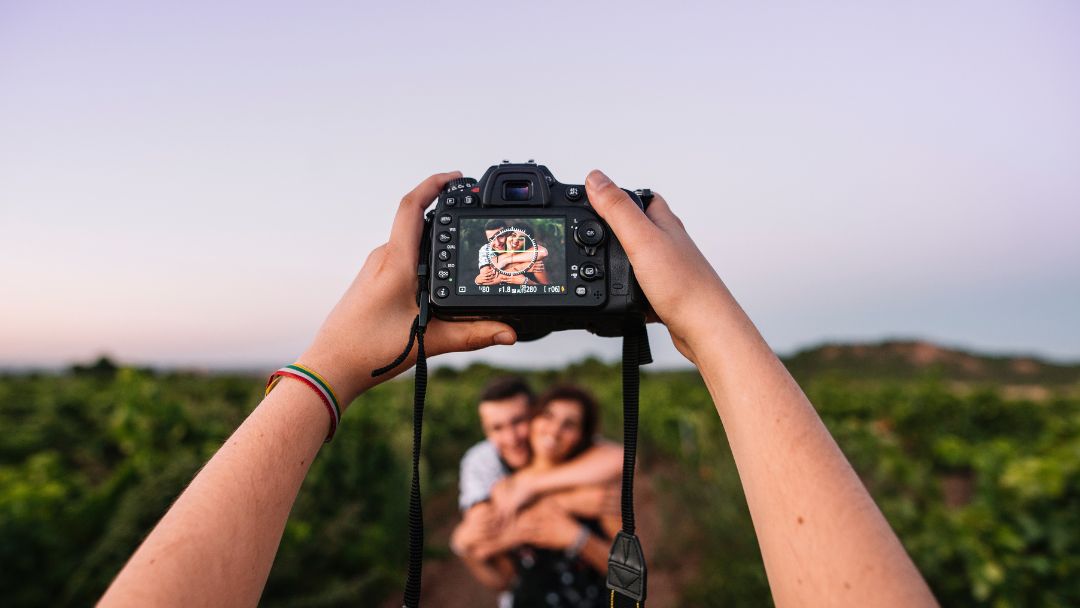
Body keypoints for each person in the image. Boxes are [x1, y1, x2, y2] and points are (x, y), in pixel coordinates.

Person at [99, 170, 939, 607]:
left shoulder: (564, 461)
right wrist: (711, 327)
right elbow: (481, 536)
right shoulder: (500, 466)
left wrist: (333, 366)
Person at [451, 378, 622, 604]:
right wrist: (465, 544)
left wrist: (577, 538)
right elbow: (502, 573)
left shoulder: (596, 484)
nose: (554, 430)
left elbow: (630, 575)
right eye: (548, 416)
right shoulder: (502, 487)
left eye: (569, 424)